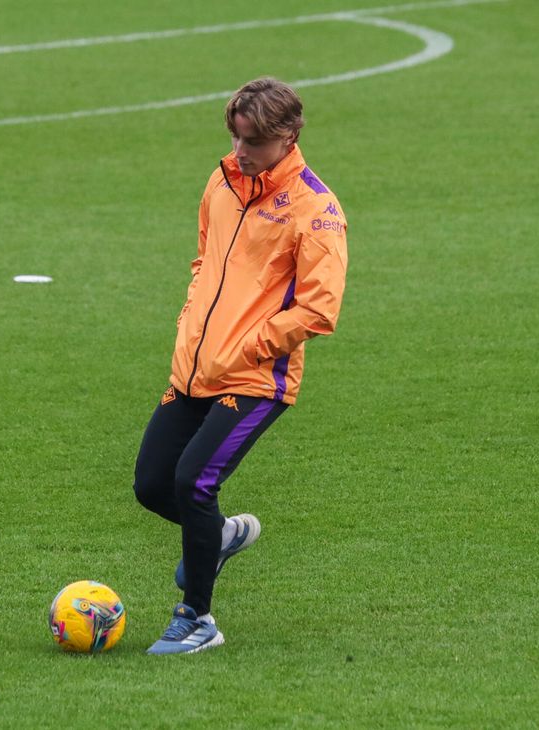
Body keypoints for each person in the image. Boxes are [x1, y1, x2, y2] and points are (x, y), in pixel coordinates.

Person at [133, 77, 349, 655]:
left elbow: (320, 308)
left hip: (256, 378)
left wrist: (251, 345)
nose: (240, 151)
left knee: (193, 482)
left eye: (252, 141)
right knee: (153, 485)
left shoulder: (316, 209)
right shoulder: (223, 181)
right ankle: (222, 537)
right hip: (195, 368)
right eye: (234, 137)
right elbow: (205, 258)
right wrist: (190, 326)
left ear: (289, 135)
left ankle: (197, 620)